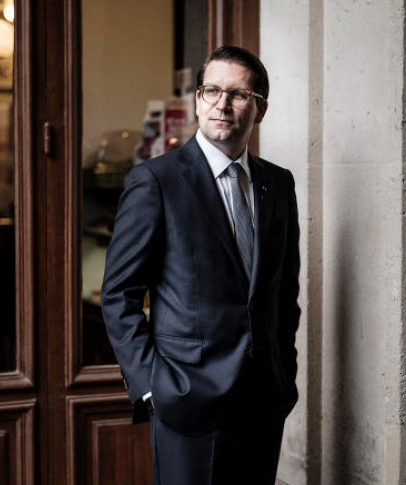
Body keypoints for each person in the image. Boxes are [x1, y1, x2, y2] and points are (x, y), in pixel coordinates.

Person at [101, 46, 301, 485]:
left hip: (263, 400)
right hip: (187, 401)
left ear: (260, 109)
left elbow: (285, 292)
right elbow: (119, 296)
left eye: (238, 94)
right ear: (197, 99)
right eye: (212, 90)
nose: (222, 105)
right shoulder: (156, 182)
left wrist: (284, 372)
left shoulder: (278, 183)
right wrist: (154, 386)